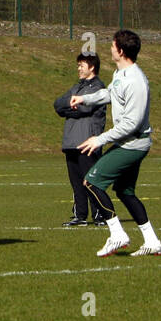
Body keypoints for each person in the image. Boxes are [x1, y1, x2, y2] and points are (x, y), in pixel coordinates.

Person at [73, 29, 161, 257]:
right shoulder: (120, 74)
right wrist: (85, 98)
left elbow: (132, 123)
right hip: (128, 142)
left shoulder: (136, 80)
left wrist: (99, 139)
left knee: (91, 182)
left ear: (121, 51)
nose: (110, 49)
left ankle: (117, 234)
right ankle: (152, 241)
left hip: (133, 144)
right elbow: (109, 94)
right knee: (124, 191)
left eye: (112, 46)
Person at [54, 53, 108, 226]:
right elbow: (58, 105)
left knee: (90, 180)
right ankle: (80, 215)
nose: (78, 68)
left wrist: (70, 108)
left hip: (88, 140)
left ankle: (100, 214)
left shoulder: (98, 87)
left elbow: (85, 108)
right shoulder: (76, 87)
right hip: (71, 141)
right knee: (76, 182)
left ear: (91, 67)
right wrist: (70, 107)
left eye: (81, 65)